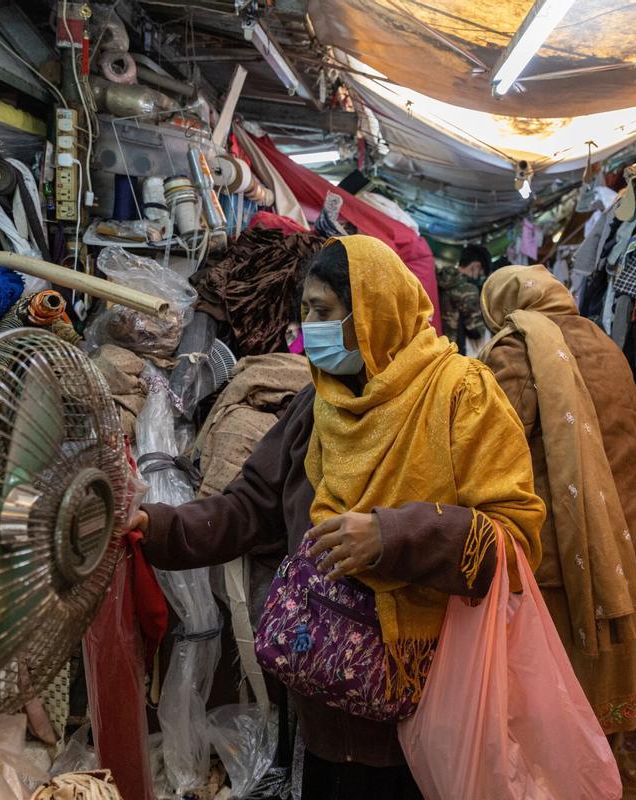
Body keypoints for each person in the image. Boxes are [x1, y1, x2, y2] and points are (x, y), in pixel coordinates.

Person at [130, 236, 544, 798]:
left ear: (372, 312)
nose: (309, 328)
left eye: (322, 312)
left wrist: (391, 536)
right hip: (321, 692)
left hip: (424, 702)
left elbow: (512, 540)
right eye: (304, 311)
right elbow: (249, 506)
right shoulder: (316, 404)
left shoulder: (462, 397)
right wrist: (156, 526)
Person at [479, 264, 636, 735]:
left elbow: (492, 449)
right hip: (633, 543)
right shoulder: (602, 340)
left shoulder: (516, 349)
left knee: (550, 730)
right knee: (598, 728)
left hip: (570, 562)